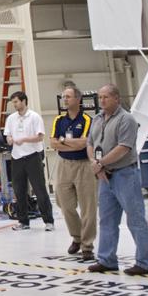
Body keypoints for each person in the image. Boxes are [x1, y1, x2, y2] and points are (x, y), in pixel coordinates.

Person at [87, 84, 148, 276]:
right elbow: (90, 143)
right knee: (107, 220)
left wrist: (101, 163)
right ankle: (106, 259)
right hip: (104, 177)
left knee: (135, 218)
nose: (102, 100)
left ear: (116, 98)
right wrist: (95, 164)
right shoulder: (97, 119)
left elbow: (123, 148)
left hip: (125, 175)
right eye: (100, 97)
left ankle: (145, 262)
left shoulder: (126, 119)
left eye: (106, 97)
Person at [49, 86, 97, 260]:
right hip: (64, 165)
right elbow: (53, 143)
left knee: (88, 207)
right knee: (65, 204)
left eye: (68, 97)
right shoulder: (59, 120)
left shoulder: (87, 120)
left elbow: (83, 143)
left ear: (78, 99)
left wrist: (63, 141)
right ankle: (77, 236)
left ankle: (87, 245)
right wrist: (68, 143)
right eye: (64, 97)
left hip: (84, 165)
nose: (65, 100)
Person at [4, 91, 54, 232]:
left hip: (32, 156)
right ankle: (23, 221)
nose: (14, 105)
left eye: (16, 102)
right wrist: (10, 140)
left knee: (39, 189)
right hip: (17, 157)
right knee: (19, 190)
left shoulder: (34, 117)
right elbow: (7, 135)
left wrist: (24, 139)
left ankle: (48, 221)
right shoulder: (11, 118)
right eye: (13, 102)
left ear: (24, 101)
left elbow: (40, 137)